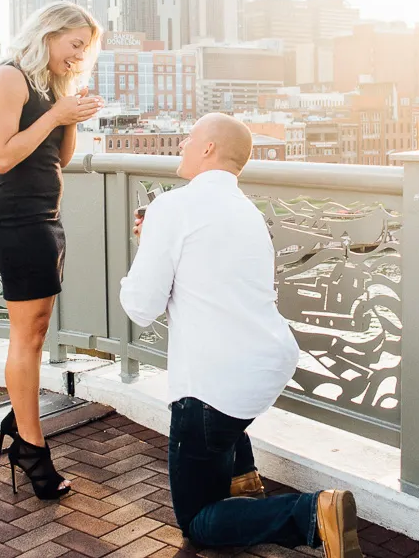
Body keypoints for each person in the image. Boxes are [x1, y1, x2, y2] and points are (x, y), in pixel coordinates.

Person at [120, 113, 363, 558]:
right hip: (267, 362)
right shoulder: (246, 211)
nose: (181, 146)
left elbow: (141, 305)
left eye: (188, 139)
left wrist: (147, 247)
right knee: (226, 420)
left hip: (213, 385)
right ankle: (242, 478)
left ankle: (312, 515)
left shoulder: (172, 207)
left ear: (208, 148)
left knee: (198, 521)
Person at [0, 1, 103, 499]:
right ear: (49, 33)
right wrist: (56, 111)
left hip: (45, 220)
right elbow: (3, 156)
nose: (78, 56)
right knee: (27, 337)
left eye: (86, 50)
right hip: (15, 220)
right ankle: (30, 447)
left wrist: (68, 111)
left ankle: (21, 418)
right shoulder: (8, 78)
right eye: (75, 44)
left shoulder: (52, 86)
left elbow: (63, 157)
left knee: (35, 331)